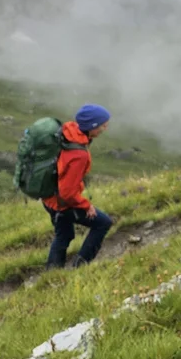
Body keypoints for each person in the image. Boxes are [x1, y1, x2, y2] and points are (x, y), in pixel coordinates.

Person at [44, 104, 115, 268]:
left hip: (48, 196)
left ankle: (52, 273)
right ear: (92, 126)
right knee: (103, 223)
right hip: (61, 202)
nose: (105, 128)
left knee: (64, 235)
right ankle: (80, 267)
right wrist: (86, 205)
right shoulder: (78, 154)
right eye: (103, 125)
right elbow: (67, 193)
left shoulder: (68, 133)